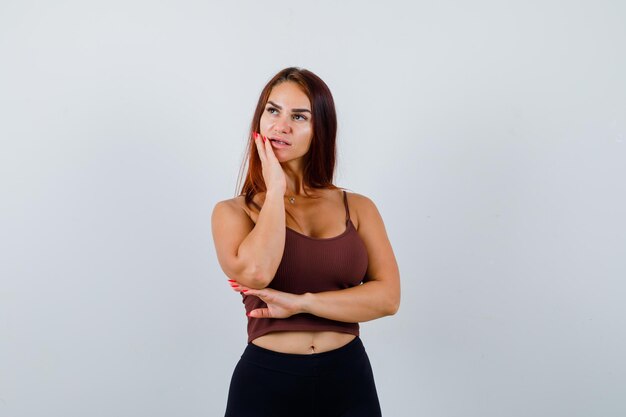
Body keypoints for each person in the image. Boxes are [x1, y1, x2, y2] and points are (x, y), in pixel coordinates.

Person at [211, 67, 401, 417]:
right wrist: (275, 191)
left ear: (320, 130)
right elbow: (256, 273)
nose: (281, 125)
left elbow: (387, 299)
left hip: (348, 378)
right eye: (273, 110)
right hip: (267, 382)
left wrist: (303, 304)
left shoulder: (357, 207)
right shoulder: (232, 212)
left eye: (299, 116)